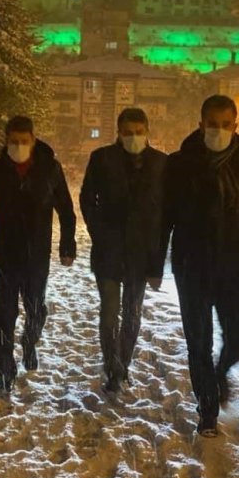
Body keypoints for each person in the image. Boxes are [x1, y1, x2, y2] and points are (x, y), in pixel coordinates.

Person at [162, 94, 239, 437]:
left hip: (232, 266)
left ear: (236, 125)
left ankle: (218, 375)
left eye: (225, 125)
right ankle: (207, 412)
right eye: (212, 124)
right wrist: (155, 264)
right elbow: (164, 217)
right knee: (198, 341)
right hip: (191, 266)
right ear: (200, 125)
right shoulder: (180, 163)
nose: (219, 130)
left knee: (238, 340)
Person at [0, 116, 76, 394]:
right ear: (6, 140)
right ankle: (5, 370)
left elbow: (66, 210)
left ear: (34, 141)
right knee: (4, 313)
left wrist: (67, 245)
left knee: (36, 309)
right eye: (14, 141)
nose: (19, 146)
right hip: (3, 254)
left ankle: (29, 340)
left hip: (37, 255)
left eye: (24, 141)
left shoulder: (49, 169)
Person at [80, 108, 167, 393]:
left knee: (132, 314)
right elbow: (86, 198)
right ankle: (111, 365)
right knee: (109, 313)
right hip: (108, 251)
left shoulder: (160, 164)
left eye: (139, 132)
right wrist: (99, 231)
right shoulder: (102, 158)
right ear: (118, 132)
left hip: (141, 254)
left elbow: (165, 213)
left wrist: (156, 257)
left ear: (147, 131)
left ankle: (122, 366)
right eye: (128, 132)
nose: (134, 137)